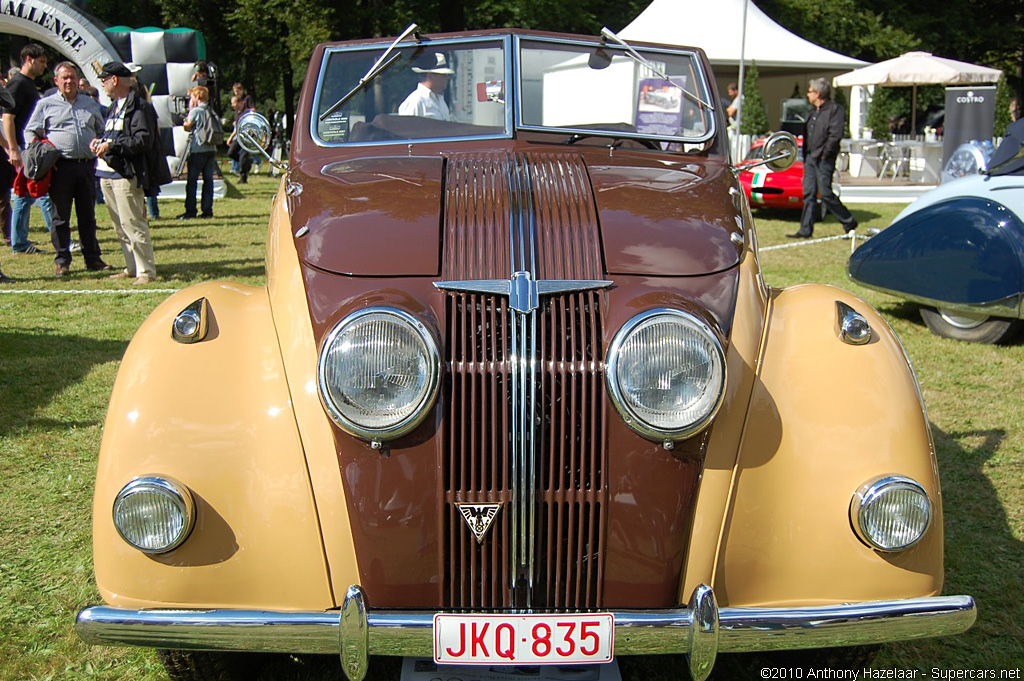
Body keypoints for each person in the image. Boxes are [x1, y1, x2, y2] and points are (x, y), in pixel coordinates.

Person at [24, 61, 111, 276]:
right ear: (56, 81)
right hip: (60, 167)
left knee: (87, 215)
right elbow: (30, 131)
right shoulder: (46, 104)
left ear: (78, 79)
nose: (69, 81)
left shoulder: (89, 103)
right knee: (60, 217)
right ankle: (62, 260)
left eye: (72, 77)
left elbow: (102, 129)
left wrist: (100, 142)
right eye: (64, 78)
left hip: (86, 167)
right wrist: (39, 152)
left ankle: (92, 258)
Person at [91, 61, 171, 285]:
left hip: (126, 174)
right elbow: (116, 134)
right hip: (107, 173)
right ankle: (131, 266)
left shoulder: (140, 107)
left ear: (114, 80)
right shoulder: (114, 106)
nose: (103, 85)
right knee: (119, 225)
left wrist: (111, 146)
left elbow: (143, 140)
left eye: (104, 80)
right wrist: (101, 142)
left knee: (133, 223)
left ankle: (146, 271)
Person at [789, 78, 857, 239]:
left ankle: (849, 221)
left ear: (818, 93)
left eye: (810, 91)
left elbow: (835, 135)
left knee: (825, 193)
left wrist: (825, 153)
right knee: (809, 193)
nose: (808, 94)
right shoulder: (814, 112)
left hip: (824, 159)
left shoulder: (835, 110)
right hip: (811, 158)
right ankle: (805, 229)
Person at [3, 42, 54, 254]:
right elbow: (7, 117)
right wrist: (13, 148)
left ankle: (20, 242)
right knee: (29, 194)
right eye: (41, 62)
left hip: (29, 146)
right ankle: (22, 243)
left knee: (27, 194)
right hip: (23, 148)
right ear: (29, 60)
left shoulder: (28, 83)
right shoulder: (18, 84)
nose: (44, 67)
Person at [177, 85, 217, 219]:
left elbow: (187, 126)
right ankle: (207, 210)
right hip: (211, 148)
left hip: (198, 149)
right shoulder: (210, 110)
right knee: (208, 181)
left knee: (192, 181)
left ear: (197, 97)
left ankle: (190, 210)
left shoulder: (196, 111)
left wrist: (187, 117)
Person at [398, 53, 454, 121]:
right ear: (430, 76)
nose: (447, 78)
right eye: (443, 75)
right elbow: (407, 130)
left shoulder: (440, 100)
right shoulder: (415, 101)